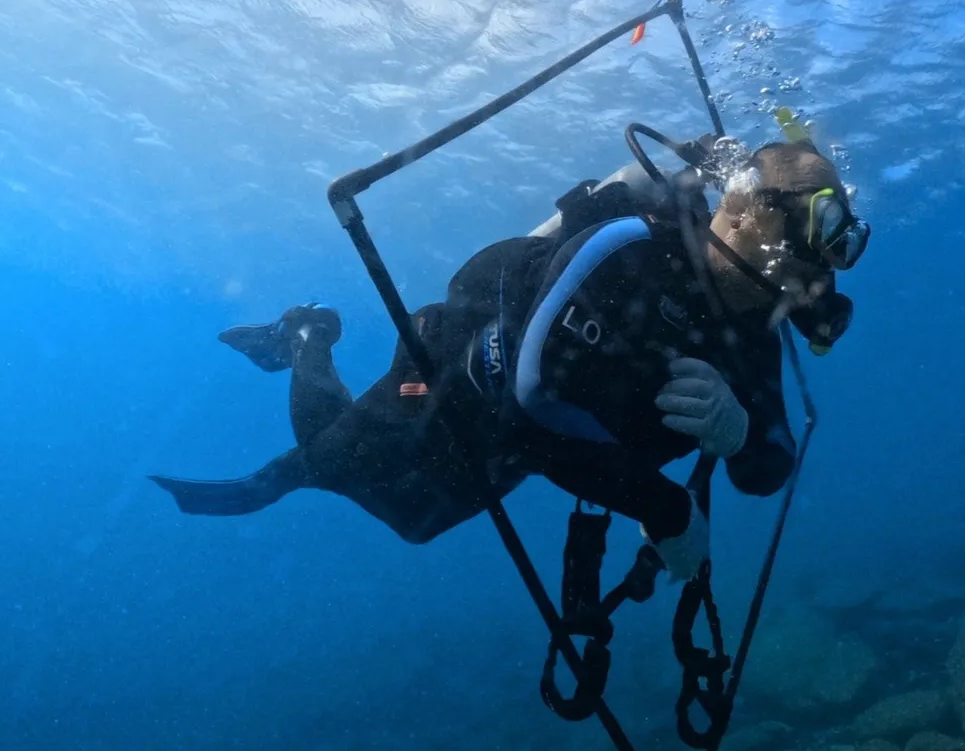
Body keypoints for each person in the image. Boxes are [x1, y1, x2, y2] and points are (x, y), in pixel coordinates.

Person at [151, 135, 868, 579]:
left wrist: (735, 429)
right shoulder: (628, 250)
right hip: (454, 369)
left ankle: (301, 410)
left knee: (414, 521)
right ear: (742, 210)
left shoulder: (752, 323)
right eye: (822, 224)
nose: (828, 269)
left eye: (846, 240)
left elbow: (764, 468)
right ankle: (307, 338)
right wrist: (667, 510)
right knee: (329, 462)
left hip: (531, 448)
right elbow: (531, 407)